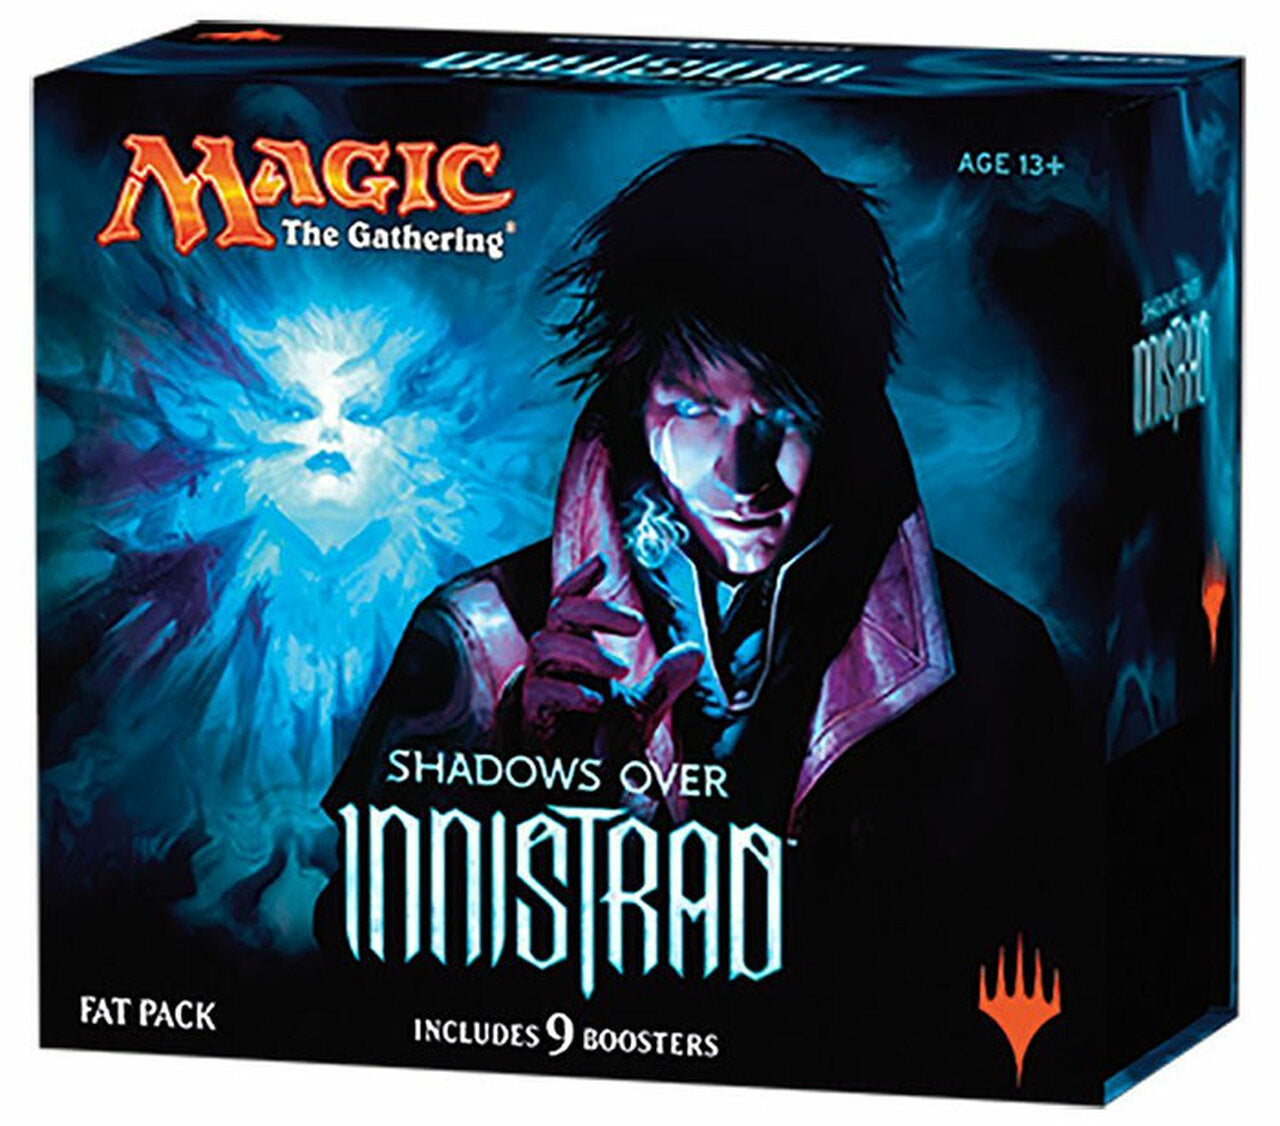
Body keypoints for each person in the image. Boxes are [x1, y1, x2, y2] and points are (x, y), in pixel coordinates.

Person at [320, 139, 1092, 1096]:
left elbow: (1053, 988)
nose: (742, 472)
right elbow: (357, 976)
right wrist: (514, 781)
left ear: (848, 407)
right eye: (693, 410)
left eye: (785, 413)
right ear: (632, 401)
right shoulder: (484, 637)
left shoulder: (992, 660)